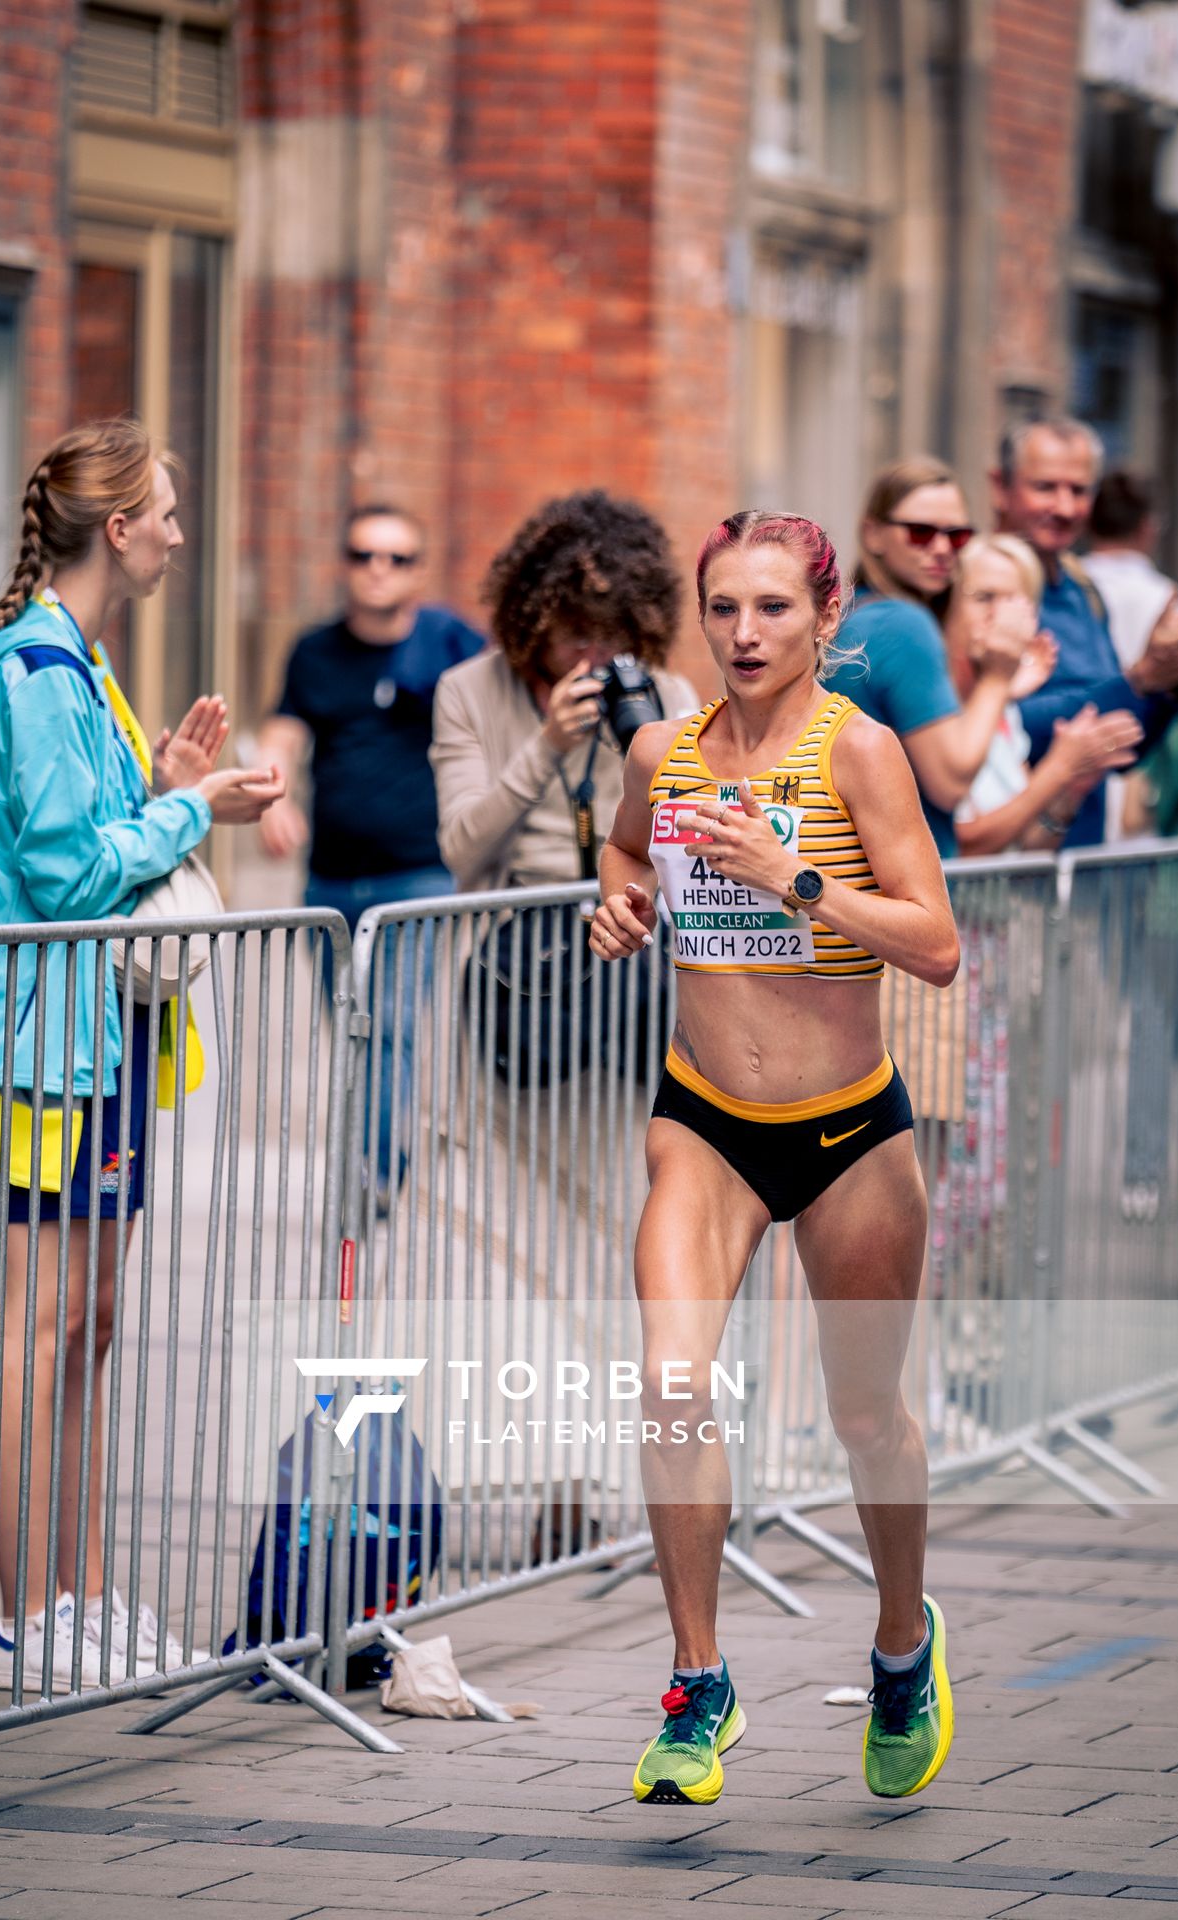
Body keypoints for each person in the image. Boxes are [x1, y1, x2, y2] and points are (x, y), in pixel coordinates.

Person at [593, 509, 959, 1808]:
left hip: (851, 1127)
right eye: (724, 609)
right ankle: (698, 1684)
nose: (745, 634)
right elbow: (626, 843)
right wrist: (620, 895)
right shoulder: (663, 748)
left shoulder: (859, 753)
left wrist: (795, 879)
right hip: (704, 1120)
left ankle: (903, 1650)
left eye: (773, 611)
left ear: (824, 621)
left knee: (866, 1417)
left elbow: (937, 942)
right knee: (672, 1384)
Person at [0, 418, 284, 1695]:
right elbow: (73, 874)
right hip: (40, 1038)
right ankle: (29, 1616)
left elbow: (83, 839)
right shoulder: (35, 677)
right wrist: (195, 805)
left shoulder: (76, 666)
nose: (180, 534)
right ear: (116, 529)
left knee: (95, 1318)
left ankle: (78, 1594)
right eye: (167, 514)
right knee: (40, 1322)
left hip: (92, 1030)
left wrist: (165, 782)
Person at [258, 504, 485, 1204]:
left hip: (417, 874)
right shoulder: (314, 651)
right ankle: (381, 1146)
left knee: (390, 1025)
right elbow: (284, 731)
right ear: (344, 564)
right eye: (364, 555)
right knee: (353, 1028)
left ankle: (374, 1174)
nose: (378, 570)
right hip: (329, 879)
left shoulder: (451, 644)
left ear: (418, 571)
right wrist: (273, 795)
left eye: (396, 558)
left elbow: (503, 714)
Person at [431, 489, 697, 894]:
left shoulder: (664, 693)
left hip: (628, 925)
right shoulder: (467, 691)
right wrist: (547, 746)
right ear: (533, 626)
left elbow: (689, 839)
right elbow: (462, 851)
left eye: (610, 640)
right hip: (509, 934)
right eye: (575, 639)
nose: (592, 659)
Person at [991, 417, 1178, 847]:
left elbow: (1118, 749)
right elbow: (991, 726)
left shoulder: (1083, 588)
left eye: (1079, 491)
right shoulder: (979, 588)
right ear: (1000, 487)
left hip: (1082, 862)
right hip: (1002, 865)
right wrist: (1139, 680)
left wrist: (1174, 682)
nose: (1064, 508)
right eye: (1045, 487)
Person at [824, 457, 1029, 858]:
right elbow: (950, 782)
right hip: (898, 887)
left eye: (957, 536)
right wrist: (999, 676)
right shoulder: (903, 624)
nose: (940, 549)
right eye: (920, 533)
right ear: (873, 534)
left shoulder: (854, 614)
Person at [946, 534, 1142, 855]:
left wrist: (1067, 796)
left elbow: (1027, 846)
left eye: (1015, 603)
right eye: (984, 597)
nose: (1001, 617)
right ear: (947, 604)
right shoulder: (934, 706)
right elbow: (964, 845)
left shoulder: (1001, 708)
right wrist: (1058, 769)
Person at [1083, 469, 1178, 840]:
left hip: (1081, 748)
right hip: (1137, 757)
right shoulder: (1169, 597)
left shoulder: (1073, 585)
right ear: (1148, 527)